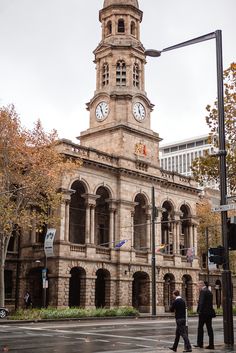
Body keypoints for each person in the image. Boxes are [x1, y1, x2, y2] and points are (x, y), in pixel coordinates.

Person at [194, 281, 215, 349]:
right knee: (209, 329)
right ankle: (211, 344)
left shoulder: (203, 291)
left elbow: (201, 302)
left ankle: (200, 344)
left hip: (203, 313)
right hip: (209, 313)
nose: (197, 288)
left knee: (200, 328)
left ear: (201, 285)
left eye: (197, 286)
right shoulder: (209, 291)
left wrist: (199, 311)